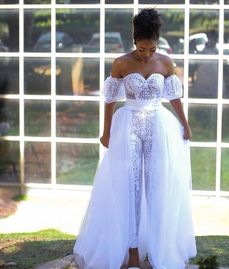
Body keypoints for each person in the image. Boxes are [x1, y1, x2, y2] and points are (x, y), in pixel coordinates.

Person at [73, 8, 197, 269]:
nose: (147, 54)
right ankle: (131, 252)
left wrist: (185, 125)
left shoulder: (165, 63)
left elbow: (174, 97)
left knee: (157, 186)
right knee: (130, 187)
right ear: (135, 40)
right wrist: (106, 132)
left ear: (157, 42)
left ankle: (155, 249)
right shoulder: (121, 63)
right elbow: (110, 100)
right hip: (127, 125)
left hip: (158, 125)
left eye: (151, 49)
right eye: (142, 49)